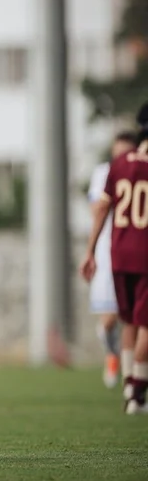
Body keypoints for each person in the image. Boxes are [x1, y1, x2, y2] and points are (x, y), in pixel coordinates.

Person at [81, 102, 148, 415]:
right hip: (144, 252)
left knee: (128, 320)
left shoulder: (118, 166)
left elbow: (101, 209)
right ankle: (137, 389)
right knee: (143, 322)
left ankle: (127, 384)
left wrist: (90, 251)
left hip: (118, 252)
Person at [85, 132, 137, 389]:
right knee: (108, 320)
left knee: (133, 320)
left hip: (135, 250)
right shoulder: (104, 173)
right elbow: (97, 209)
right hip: (108, 252)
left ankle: (133, 379)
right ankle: (113, 354)